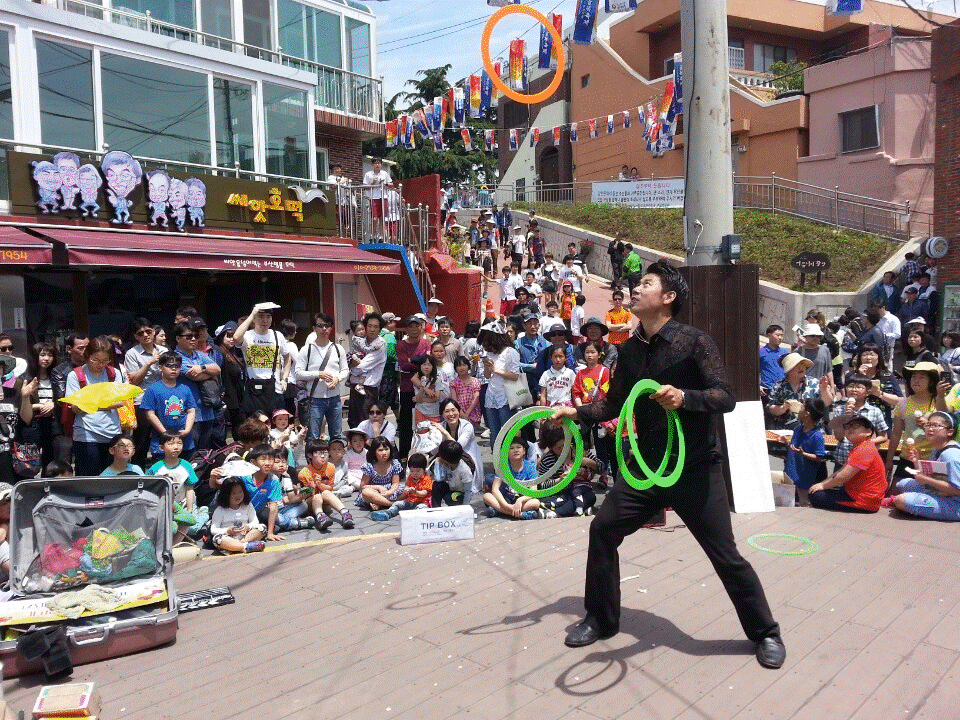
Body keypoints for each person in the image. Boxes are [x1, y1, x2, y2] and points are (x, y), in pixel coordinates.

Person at [552, 260, 784, 669]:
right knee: (602, 529)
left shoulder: (694, 342)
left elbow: (725, 396)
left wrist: (686, 398)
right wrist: (577, 413)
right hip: (647, 467)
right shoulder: (627, 349)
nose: (635, 289)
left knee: (724, 554)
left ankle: (765, 633)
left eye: (645, 283)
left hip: (695, 466)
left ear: (668, 297)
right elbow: (615, 403)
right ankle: (601, 619)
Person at [64, 336, 125, 476]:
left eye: (105, 360)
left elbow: (120, 402)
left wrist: (89, 402)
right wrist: (106, 403)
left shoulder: (114, 374)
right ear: (87, 356)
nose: (100, 364)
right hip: (86, 435)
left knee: (110, 476)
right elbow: (76, 408)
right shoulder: (75, 376)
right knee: (89, 476)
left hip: (112, 433)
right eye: (96, 360)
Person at [886, 411, 960, 520]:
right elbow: (927, 477)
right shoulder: (937, 449)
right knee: (902, 484)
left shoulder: (951, 455)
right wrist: (916, 461)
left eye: (936, 426)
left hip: (955, 504)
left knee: (901, 500)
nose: (930, 428)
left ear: (949, 432)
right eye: (928, 425)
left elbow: (957, 490)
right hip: (942, 492)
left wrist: (926, 480)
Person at [809, 416, 886, 513]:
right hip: (854, 493)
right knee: (817, 490)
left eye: (855, 426)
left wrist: (822, 486)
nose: (850, 429)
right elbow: (841, 472)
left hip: (864, 501)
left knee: (815, 496)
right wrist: (821, 484)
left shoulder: (865, 449)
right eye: (847, 426)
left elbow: (842, 477)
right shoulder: (860, 447)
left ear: (868, 432)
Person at [296, 313, 347, 443]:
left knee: (336, 436)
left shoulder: (338, 348)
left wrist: (337, 379)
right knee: (313, 437)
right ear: (314, 328)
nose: (324, 329)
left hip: (335, 399)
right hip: (314, 401)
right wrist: (318, 374)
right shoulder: (306, 349)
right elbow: (298, 373)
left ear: (331, 328)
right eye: (320, 326)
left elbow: (345, 370)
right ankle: (312, 463)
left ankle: (333, 463)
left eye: (327, 326)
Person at [233, 303, 288, 420]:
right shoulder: (247, 336)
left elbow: (287, 357)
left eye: (268, 316)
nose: (265, 320)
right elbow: (236, 338)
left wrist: (285, 379)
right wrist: (252, 314)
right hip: (254, 390)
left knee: (277, 428)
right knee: (256, 429)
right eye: (261, 316)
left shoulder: (278, 336)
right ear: (254, 319)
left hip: (275, 389)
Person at [886, 361, 940, 480]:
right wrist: (889, 460)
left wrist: (929, 424)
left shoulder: (939, 402)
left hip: (933, 459)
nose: (916, 380)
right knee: (893, 494)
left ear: (932, 381)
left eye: (922, 377)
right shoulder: (903, 403)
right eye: (914, 377)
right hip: (907, 457)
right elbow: (896, 434)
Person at [140, 350, 197, 463]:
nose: (174, 368)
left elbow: (191, 410)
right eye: (169, 365)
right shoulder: (153, 389)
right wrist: (165, 433)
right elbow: (149, 414)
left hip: (185, 442)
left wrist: (187, 430)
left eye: (177, 366)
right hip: (162, 442)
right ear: (161, 367)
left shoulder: (185, 388)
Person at [124, 318, 166, 467]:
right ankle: (138, 469)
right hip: (142, 400)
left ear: (153, 332)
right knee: (142, 439)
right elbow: (133, 379)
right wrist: (149, 363)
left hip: (163, 399)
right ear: (136, 336)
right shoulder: (132, 353)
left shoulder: (164, 351)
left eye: (148, 331)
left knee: (165, 436)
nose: (146, 335)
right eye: (141, 333)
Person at [827, 375, 888, 473]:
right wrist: (846, 416)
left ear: (867, 392)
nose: (854, 390)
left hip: (864, 460)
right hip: (843, 458)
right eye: (851, 386)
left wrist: (867, 444)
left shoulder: (875, 411)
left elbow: (883, 437)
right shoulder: (839, 410)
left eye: (859, 387)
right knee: (839, 486)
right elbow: (839, 437)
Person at [778, 398, 827, 506]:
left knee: (804, 503)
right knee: (786, 502)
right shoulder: (797, 429)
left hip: (804, 478)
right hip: (790, 472)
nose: (798, 411)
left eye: (802, 408)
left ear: (807, 414)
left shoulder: (817, 435)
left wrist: (803, 454)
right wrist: (787, 442)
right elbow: (794, 447)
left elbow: (819, 457)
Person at [298, 439, 356, 530]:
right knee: (317, 496)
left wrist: (320, 485)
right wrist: (311, 487)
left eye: (325, 453)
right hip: (311, 504)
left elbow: (330, 487)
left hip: (326, 503)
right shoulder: (303, 473)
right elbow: (302, 494)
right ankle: (320, 516)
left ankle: (345, 513)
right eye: (318, 453)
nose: (322, 456)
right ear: (310, 455)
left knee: (326, 492)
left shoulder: (330, 467)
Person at [396, 316, 432, 459]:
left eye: (416, 326)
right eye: (410, 326)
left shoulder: (427, 343)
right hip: (407, 388)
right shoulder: (401, 345)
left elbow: (428, 363)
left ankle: (426, 454)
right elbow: (404, 364)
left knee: (425, 422)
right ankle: (404, 455)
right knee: (405, 423)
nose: (414, 329)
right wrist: (420, 361)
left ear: (421, 327)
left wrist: (414, 360)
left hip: (425, 387)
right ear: (406, 329)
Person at [481, 321, 521, 444]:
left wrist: (496, 370)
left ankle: (508, 460)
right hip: (491, 394)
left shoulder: (511, 352)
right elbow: (487, 375)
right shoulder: (490, 353)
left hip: (506, 397)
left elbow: (515, 376)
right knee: (494, 431)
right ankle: (496, 460)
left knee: (507, 431)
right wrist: (487, 367)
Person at [22, 342, 60, 468]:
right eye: (42, 355)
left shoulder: (57, 377)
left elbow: (63, 399)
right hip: (33, 423)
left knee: (50, 460)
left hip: (52, 423)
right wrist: (38, 406)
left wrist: (53, 405)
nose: (46, 359)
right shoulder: (24, 377)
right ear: (35, 356)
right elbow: (18, 404)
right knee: (29, 461)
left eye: (50, 355)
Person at [483, 437, 541, 519]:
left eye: (518, 447)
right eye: (511, 448)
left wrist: (520, 500)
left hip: (522, 501)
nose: (515, 450)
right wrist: (506, 506)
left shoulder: (530, 467)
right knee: (487, 496)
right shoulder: (503, 467)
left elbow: (533, 491)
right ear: (506, 452)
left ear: (524, 451)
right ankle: (518, 514)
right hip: (506, 499)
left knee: (535, 503)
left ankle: (500, 511)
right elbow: (495, 489)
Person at [435, 397, 483, 495]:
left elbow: (458, 448)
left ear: (459, 411)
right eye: (447, 411)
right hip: (447, 457)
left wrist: (444, 432)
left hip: (466, 458)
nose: (451, 414)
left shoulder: (467, 426)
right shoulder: (441, 425)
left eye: (453, 410)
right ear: (442, 414)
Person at [348, 313, 387, 428]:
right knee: (353, 423)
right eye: (369, 326)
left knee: (365, 424)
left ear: (380, 329)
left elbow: (360, 368)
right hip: (355, 387)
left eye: (375, 327)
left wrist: (351, 368)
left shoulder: (380, 345)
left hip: (368, 390)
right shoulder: (360, 341)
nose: (372, 329)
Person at [209, 478, 266, 554]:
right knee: (217, 539)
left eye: (240, 492)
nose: (238, 495)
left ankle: (239, 545)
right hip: (228, 538)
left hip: (245, 536)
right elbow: (213, 529)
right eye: (234, 493)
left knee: (262, 527)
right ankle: (244, 547)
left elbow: (255, 521)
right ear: (226, 494)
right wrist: (227, 531)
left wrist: (248, 526)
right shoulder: (220, 510)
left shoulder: (247, 505)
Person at [370, 452, 432, 521]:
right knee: (398, 504)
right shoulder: (411, 477)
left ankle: (417, 518)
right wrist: (406, 489)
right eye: (412, 471)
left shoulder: (426, 479)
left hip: (422, 502)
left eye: (417, 471)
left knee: (422, 508)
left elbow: (424, 493)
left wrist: (415, 492)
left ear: (424, 469)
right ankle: (388, 513)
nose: (414, 473)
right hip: (410, 501)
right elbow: (407, 486)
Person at [243, 443, 285, 542]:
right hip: (239, 512)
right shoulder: (243, 477)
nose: (267, 463)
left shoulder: (273, 479)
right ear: (253, 462)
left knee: (275, 517)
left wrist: (270, 533)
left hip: (258, 513)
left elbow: (274, 506)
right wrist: (213, 478)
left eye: (270, 459)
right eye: (263, 459)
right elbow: (216, 484)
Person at [213, 322, 244, 442]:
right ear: (221, 337)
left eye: (234, 336)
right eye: (229, 336)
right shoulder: (219, 353)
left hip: (238, 398)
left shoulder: (237, 353)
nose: (232, 339)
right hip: (227, 398)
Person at [356, 436, 402, 511]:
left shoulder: (394, 463)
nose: (384, 453)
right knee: (366, 492)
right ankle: (392, 504)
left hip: (390, 490)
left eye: (386, 449)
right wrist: (379, 487)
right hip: (375, 492)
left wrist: (390, 492)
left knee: (407, 489)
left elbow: (395, 483)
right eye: (380, 450)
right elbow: (363, 486)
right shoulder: (369, 466)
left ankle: (380, 504)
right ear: (374, 452)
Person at [431, 439, 474, 507]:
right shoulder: (446, 464)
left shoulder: (464, 470)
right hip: (450, 488)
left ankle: (456, 508)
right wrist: (437, 463)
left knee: (451, 498)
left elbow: (468, 491)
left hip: (460, 494)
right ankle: (435, 508)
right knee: (436, 485)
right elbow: (438, 479)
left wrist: (465, 507)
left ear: (445, 458)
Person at [516, 315, 549, 399]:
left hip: (542, 383)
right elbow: (514, 364)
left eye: (535, 324)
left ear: (539, 325)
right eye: (529, 324)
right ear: (524, 326)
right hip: (524, 383)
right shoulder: (517, 343)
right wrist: (531, 367)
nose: (533, 326)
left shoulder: (546, 343)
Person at [363, 158, 393, 241]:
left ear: (381, 165)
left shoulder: (384, 173)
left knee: (382, 217)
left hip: (383, 197)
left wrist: (384, 183)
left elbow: (391, 184)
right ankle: (373, 235)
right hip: (373, 197)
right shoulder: (368, 174)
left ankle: (381, 236)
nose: (377, 165)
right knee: (374, 218)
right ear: (372, 165)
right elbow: (364, 186)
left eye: (379, 163)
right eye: (375, 163)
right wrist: (372, 183)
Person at [759, 325, 789, 401]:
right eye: (777, 335)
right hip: (767, 389)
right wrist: (758, 386)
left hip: (784, 388)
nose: (780, 338)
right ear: (769, 335)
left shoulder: (785, 352)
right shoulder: (761, 352)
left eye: (782, 335)